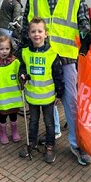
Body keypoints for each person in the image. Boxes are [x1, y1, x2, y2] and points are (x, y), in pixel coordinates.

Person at [20, 0, 91, 166]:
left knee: (71, 104)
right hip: (40, 59)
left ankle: (77, 145)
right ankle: (52, 136)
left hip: (66, 59)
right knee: (44, 99)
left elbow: (82, 20)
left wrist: (86, 33)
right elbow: (27, 26)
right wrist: (20, 56)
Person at [18, 17, 64, 164]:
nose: (36, 34)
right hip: (32, 96)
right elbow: (21, 68)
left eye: (39, 31)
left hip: (48, 98)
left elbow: (58, 75)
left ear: (45, 34)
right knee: (33, 122)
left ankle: (50, 147)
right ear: (29, 34)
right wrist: (22, 75)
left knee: (49, 123)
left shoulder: (52, 54)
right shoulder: (25, 52)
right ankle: (31, 143)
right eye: (33, 31)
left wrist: (60, 93)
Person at [0, 36, 23, 145]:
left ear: (11, 49)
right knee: (2, 116)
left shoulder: (16, 63)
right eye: (1, 49)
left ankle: (14, 131)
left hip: (14, 98)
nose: (4, 51)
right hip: (1, 98)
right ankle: (3, 133)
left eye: (7, 48)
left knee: (13, 115)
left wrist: (23, 80)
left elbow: (20, 77)